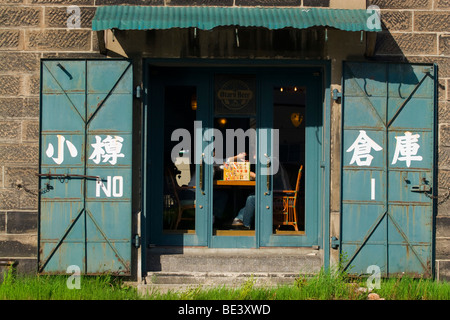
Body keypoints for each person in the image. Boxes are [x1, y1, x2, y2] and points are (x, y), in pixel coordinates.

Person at [231, 160, 291, 229]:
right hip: (275, 192)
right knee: (252, 195)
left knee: (251, 198)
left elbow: (264, 179)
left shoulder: (271, 163)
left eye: (255, 153)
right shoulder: (270, 162)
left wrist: (251, 173)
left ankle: (246, 225)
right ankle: (239, 218)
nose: (253, 156)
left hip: (281, 196)